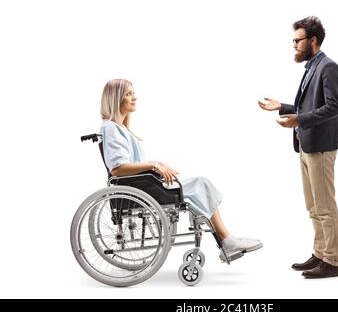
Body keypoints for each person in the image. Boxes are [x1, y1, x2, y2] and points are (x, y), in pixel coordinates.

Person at [99, 79, 262, 260]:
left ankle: (226, 239)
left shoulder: (120, 128)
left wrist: (158, 163)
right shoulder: (111, 128)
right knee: (201, 183)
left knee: (200, 184)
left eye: (133, 93)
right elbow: (117, 168)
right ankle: (226, 239)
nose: (134, 97)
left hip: (143, 184)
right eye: (128, 94)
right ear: (116, 99)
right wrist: (154, 165)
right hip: (139, 188)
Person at [258, 16, 338, 278]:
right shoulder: (312, 67)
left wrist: (299, 119)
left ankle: (333, 261)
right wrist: (284, 107)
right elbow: (310, 106)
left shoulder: (329, 67)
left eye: (297, 40)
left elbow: (334, 107)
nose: (294, 45)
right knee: (313, 205)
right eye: (294, 40)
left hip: (320, 145)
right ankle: (320, 254)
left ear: (313, 40)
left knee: (325, 206)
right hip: (307, 144)